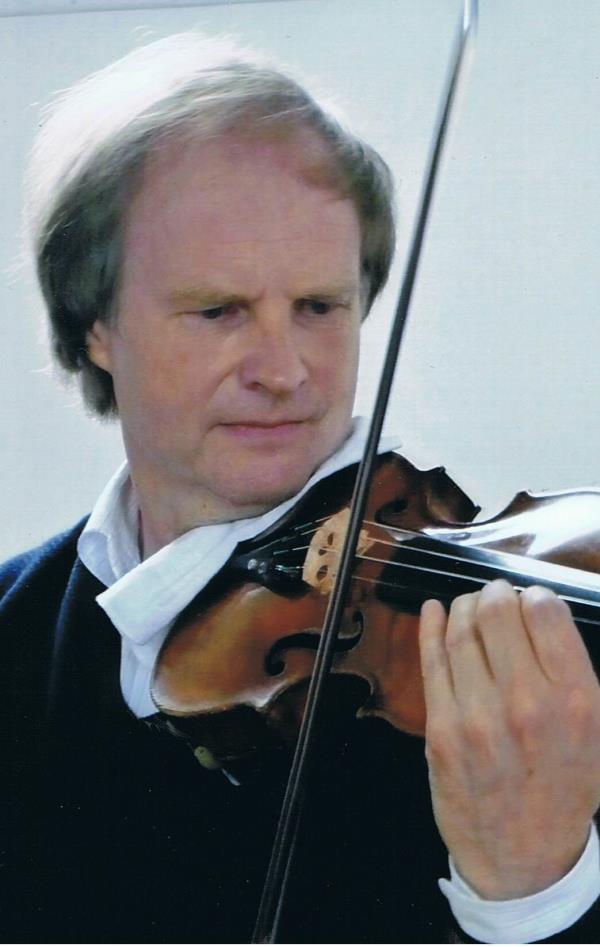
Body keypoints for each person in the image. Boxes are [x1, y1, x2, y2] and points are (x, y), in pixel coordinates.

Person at [2, 31, 600, 943]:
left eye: (319, 307)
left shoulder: (531, 661)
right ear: (95, 327)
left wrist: (535, 891)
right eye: (218, 311)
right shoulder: (12, 631)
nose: (284, 372)